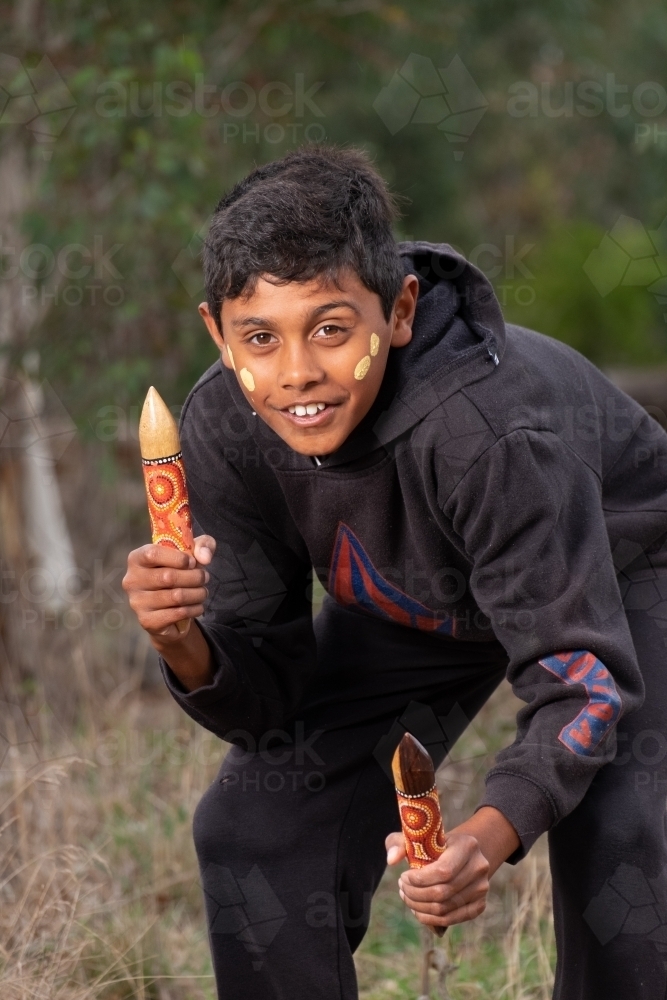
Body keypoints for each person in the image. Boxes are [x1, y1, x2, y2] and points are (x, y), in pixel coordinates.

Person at [123, 146, 667, 1000]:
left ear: (400, 310)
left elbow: (585, 685)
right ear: (216, 332)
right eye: (259, 337)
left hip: (621, 557)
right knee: (254, 824)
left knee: (623, 826)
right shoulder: (224, 430)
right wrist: (182, 640)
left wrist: (484, 839)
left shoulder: (488, 433)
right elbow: (267, 697)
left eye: (331, 329)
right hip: (424, 597)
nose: (296, 372)